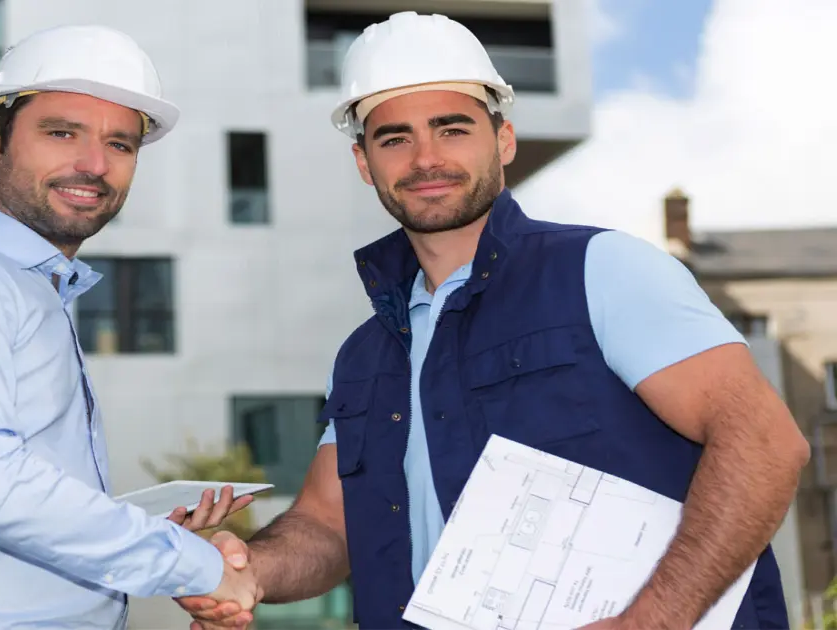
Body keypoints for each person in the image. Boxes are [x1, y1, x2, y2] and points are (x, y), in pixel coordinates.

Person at [178, 11, 810, 630]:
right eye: (394, 138)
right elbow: (327, 523)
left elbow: (764, 443)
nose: (426, 158)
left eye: (452, 129)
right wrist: (247, 569)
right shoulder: (365, 355)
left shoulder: (602, 270)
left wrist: (653, 619)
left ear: (502, 140)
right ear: (365, 163)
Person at [0, 24, 257, 629]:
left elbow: (11, 498)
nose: (93, 164)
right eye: (62, 133)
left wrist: (140, 533)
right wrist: (192, 565)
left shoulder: (33, 291)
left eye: (120, 145)